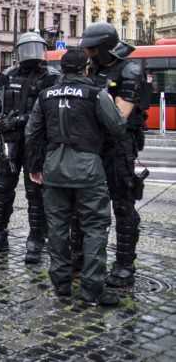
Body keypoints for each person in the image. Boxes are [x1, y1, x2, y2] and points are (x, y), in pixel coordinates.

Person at [25, 48, 125, 306]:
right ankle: (92, 289)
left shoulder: (46, 95)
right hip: (88, 168)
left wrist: (35, 166)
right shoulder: (95, 94)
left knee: (57, 227)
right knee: (94, 227)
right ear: (85, 68)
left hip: (53, 168)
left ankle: (61, 284)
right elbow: (117, 127)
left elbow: (32, 133)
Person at [0, 32, 60, 263]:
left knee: (35, 193)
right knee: (2, 190)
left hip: (36, 143)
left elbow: (49, 111)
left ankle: (36, 239)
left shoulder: (51, 78)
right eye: (28, 49)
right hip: (9, 141)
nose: (32, 54)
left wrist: (19, 120)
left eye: (36, 49)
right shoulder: (6, 75)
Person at [81, 22, 148, 288]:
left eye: (92, 49)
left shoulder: (129, 69)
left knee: (122, 206)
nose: (88, 53)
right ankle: (84, 261)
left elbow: (119, 117)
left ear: (105, 48)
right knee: (86, 207)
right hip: (92, 146)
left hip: (119, 148)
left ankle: (124, 265)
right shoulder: (92, 69)